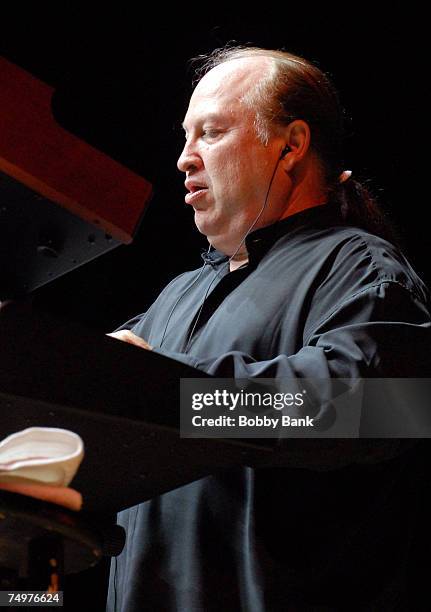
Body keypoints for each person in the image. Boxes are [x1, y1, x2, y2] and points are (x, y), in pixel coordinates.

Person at [106, 47, 430, 611]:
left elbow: (376, 409)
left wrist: (172, 398)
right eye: (185, 137)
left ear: (292, 145)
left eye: (210, 132)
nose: (185, 158)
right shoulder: (174, 299)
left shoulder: (357, 267)